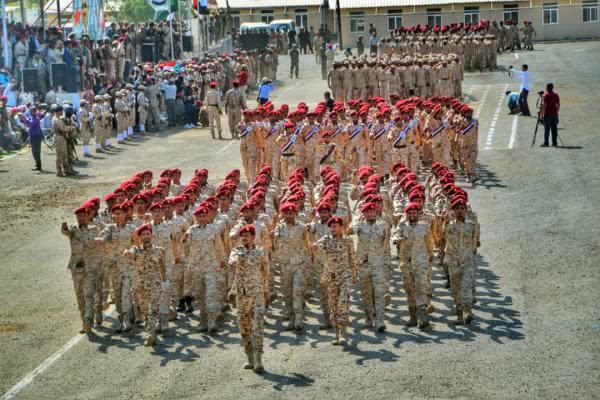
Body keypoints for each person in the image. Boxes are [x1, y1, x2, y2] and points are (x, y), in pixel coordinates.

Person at [228, 224, 267, 372]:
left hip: (257, 293)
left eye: (247, 235)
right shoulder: (237, 251)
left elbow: (265, 271)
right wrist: (233, 262)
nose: (244, 238)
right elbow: (233, 259)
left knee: (257, 326)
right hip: (242, 294)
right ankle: (249, 356)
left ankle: (258, 358)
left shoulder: (261, 252)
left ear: (253, 237)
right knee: (244, 326)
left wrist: (264, 289)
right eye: (241, 235)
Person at [124, 223, 167, 347]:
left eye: (148, 233)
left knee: (153, 308)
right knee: (144, 310)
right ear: (140, 237)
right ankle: (150, 330)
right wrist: (127, 252)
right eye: (143, 234)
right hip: (140, 285)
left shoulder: (159, 250)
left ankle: (151, 334)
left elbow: (162, 266)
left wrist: (164, 280)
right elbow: (128, 253)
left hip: (155, 283)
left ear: (151, 235)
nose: (146, 236)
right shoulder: (136, 250)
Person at [22, 106, 44, 171]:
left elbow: (32, 124)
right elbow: (27, 122)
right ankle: (37, 164)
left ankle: (39, 166)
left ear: (35, 111)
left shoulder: (37, 118)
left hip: (36, 137)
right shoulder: (31, 117)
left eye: (32, 111)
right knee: (34, 152)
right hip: (32, 136)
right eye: (30, 111)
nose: (31, 112)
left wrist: (24, 119)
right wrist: (22, 119)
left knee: (36, 152)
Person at [541, 83, 560, 147]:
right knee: (554, 129)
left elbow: (544, 106)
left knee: (547, 129)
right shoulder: (556, 95)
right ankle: (554, 142)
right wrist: (556, 112)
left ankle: (546, 142)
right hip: (554, 114)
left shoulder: (546, 95)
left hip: (548, 114)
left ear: (547, 88)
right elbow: (558, 104)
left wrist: (542, 115)